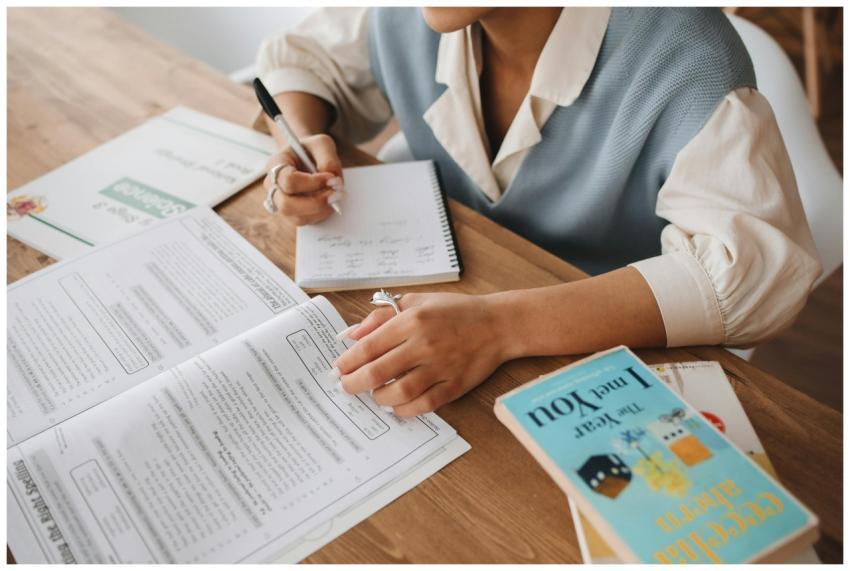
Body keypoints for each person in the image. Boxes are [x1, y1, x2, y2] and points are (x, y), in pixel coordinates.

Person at [255, 7, 821, 416]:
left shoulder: (688, 58)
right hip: (458, 322)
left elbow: (754, 278)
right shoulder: (409, 14)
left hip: (604, 355)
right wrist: (300, 140)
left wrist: (498, 326)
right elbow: (303, 61)